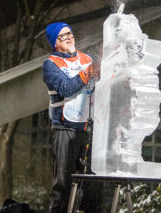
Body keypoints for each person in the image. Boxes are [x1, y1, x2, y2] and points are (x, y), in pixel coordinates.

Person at [42, 22, 100, 213]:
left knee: (92, 183)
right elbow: (65, 88)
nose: (68, 37)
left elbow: (100, 81)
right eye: (62, 36)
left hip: (88, 128)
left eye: (69, 33)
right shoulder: (50, 64)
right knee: (63, 184)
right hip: (65, 129)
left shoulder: (86, 59)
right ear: (54, 43)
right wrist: (87, 73)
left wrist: (104, 65)